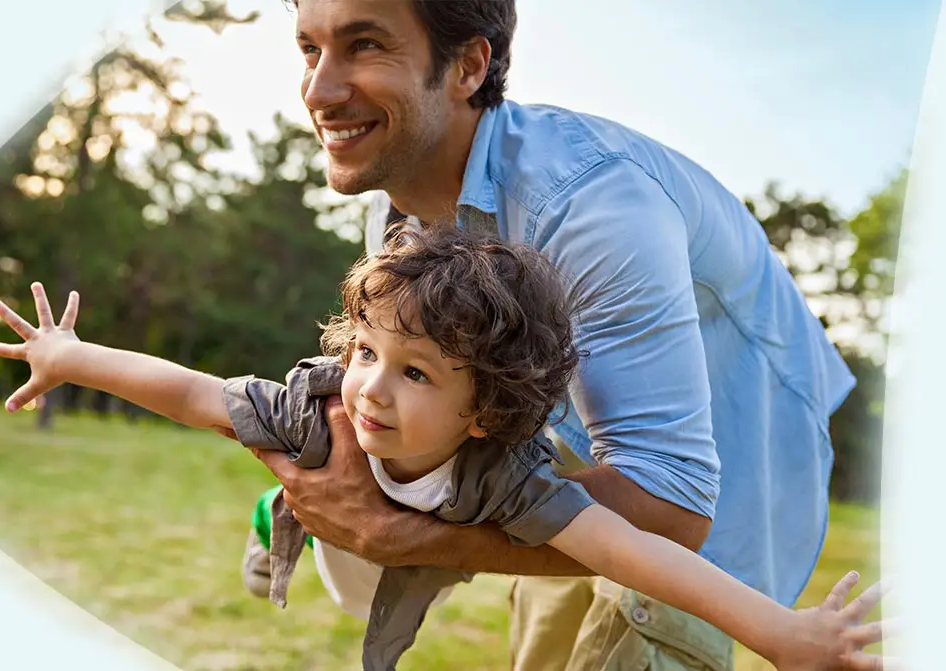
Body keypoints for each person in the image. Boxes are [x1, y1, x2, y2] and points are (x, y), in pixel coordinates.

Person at [256, 1, 875, 669]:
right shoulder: (397, 197)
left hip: (709, 464)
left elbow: (672, 505)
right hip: (564, 450)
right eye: (310, 50)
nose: (318, 91)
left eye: (366, 45)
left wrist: (405, 535)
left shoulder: (590, 206)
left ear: (468, 66)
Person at [0, 226, 889, 669]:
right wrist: (71, 357)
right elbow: (190, 390)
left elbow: (637, 553)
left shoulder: (510, 478)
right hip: (335, 521)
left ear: (483, 409)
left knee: (401, 578)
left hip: (425, 546)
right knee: (308, 521)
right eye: (367, 351)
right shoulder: (321, 411)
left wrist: (782, 633)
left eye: (416, 372)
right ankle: (273, 514)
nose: (374, 386)